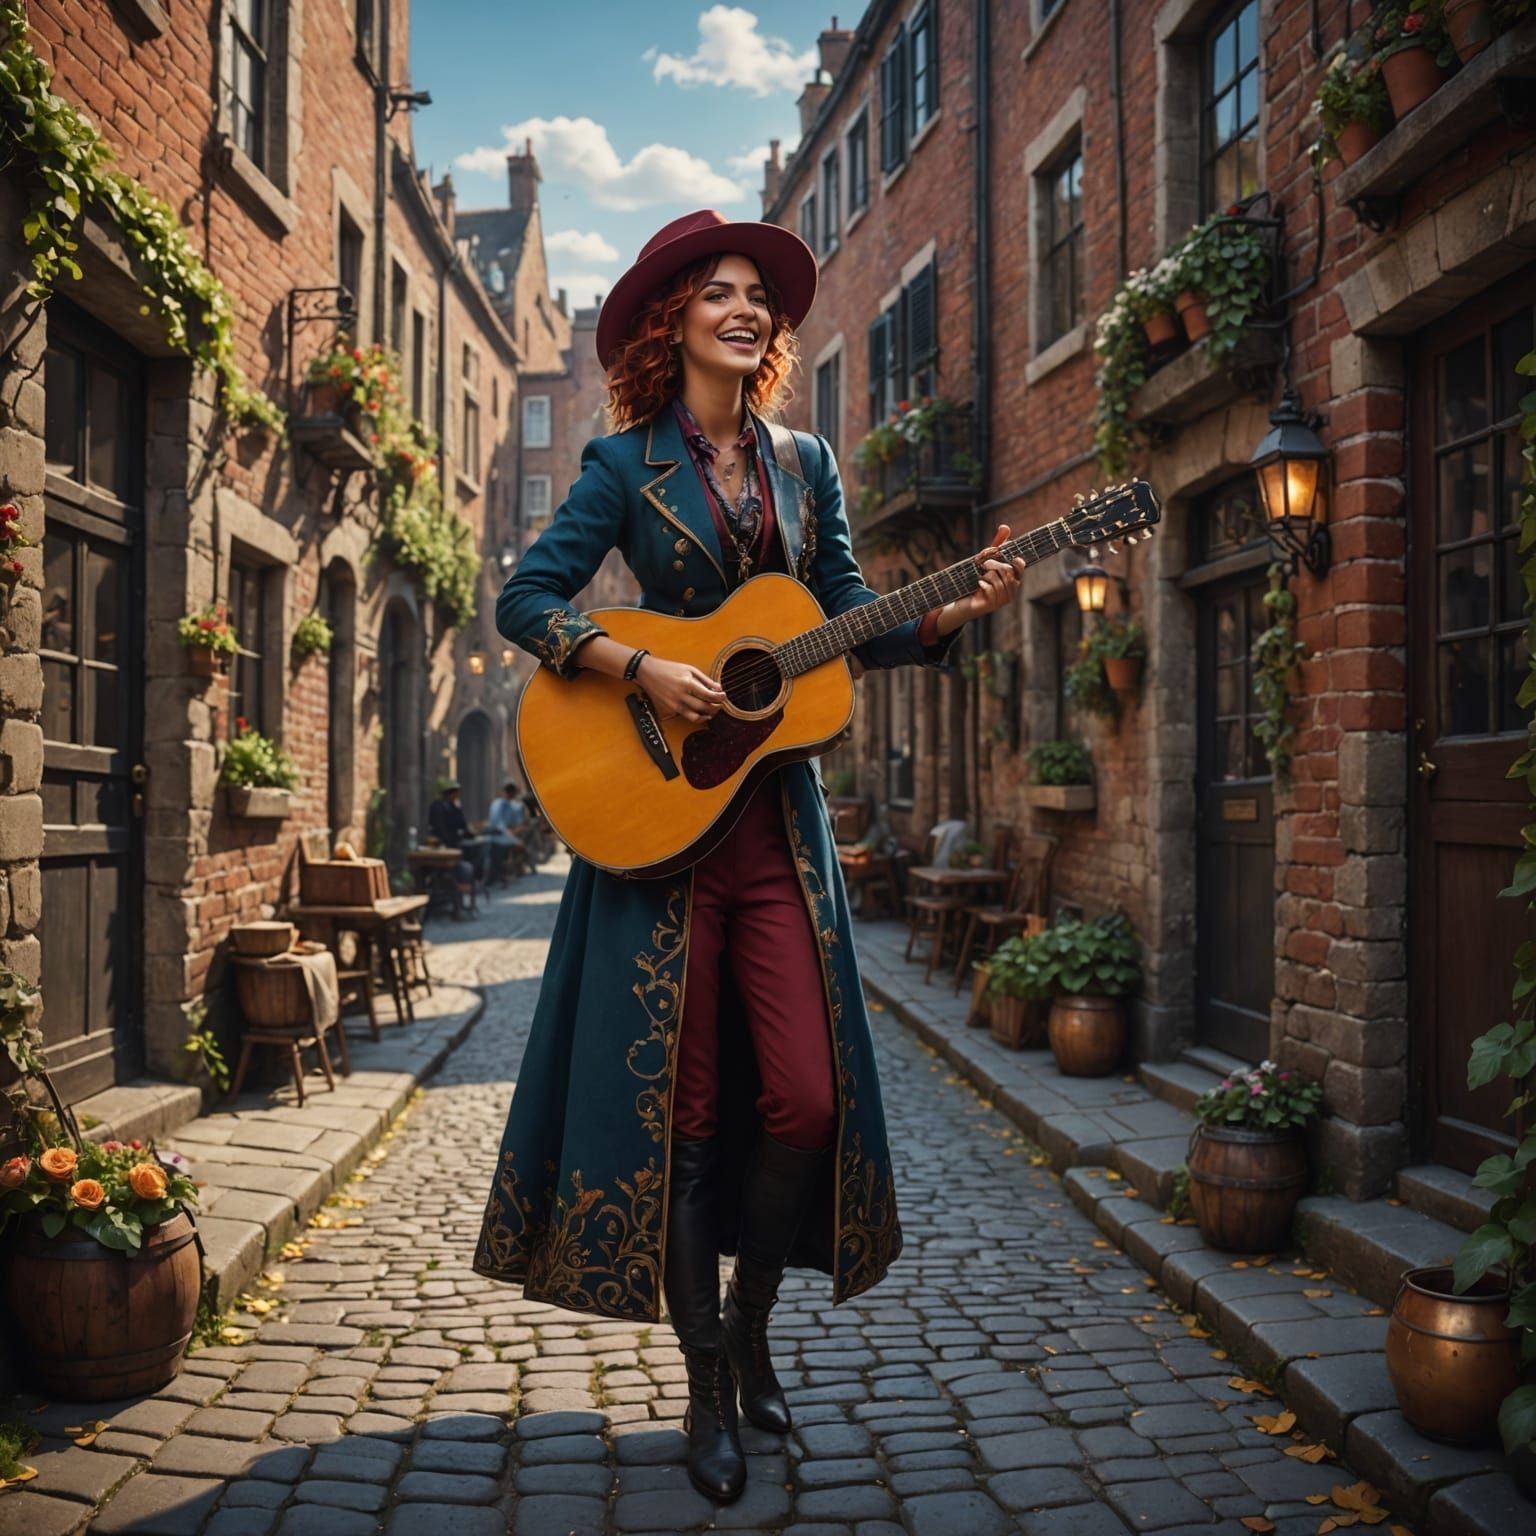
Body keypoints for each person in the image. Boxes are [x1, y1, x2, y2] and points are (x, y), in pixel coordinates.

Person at [472, 209, 1025, 1503]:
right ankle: (707, 1380)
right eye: (719, 292)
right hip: (662, 849)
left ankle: (759, 1320)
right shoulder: (622, 465)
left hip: (776, 831)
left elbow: (833, 624)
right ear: (676, 320)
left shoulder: (807, 465)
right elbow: (525, 600)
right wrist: (639, 665)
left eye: (758, 299)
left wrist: (940, 612)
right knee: (694, 1117)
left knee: (807, 1100)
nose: (746, 310)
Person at [425, 780, 478, 909]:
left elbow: (463, 825)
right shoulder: (441, 807)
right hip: (445, 845)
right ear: (450, 794)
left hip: (450, 844)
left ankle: (458, 891)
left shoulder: (452, 807)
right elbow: (459, 825)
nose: (457, 796)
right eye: (455, 793)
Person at [484, 780, 528, 882]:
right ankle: (514, 869)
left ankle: (514, 868)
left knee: (520, 845)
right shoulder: (498, 804)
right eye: (509, 790)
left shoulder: (514, 806)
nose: (510, 793)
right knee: (520, 847)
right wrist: (512, 833)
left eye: (511, 790)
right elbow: (499, 826)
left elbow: (517, 824)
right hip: (499, 836)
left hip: (505, 834)